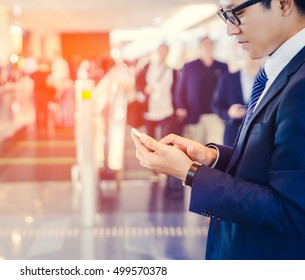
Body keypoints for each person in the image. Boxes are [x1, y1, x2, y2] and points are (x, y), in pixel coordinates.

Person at [131, 0, 305, 259]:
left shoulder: (300, 84)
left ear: (283, 3)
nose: (230, 30)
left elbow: (292, 212)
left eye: (239, 13)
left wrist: (189, 172)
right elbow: (273, 164)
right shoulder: (281, 70)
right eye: (226, 16)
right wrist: (213, 158)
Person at [175, 36, 229, 145]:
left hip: (215, 115)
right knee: (196, 147)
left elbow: (227, 90)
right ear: (200, 48)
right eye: (205, 45)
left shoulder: (222, 66)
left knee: (215, 148)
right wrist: (180, 106)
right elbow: (180, 89)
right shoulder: (190, 66)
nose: (208, 47)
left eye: (211, 45)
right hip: (194, 114)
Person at [212, 55, 265, 146]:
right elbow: (215, 105)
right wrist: (229, 113)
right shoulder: (228, 78)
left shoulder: (267, 79)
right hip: (233, 133)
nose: (254, 59)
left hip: (258, 134)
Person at [135, 42, 179, 140]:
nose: (163, 53)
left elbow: (176, 90)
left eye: (165, 51)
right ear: (157, 51)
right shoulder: (148, 67)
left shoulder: (171, 71)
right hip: (150, 110)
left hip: (166, 110)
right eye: (161, 50)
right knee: (150, 139)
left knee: (165, 139)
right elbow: (138, 83)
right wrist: (145, 89)